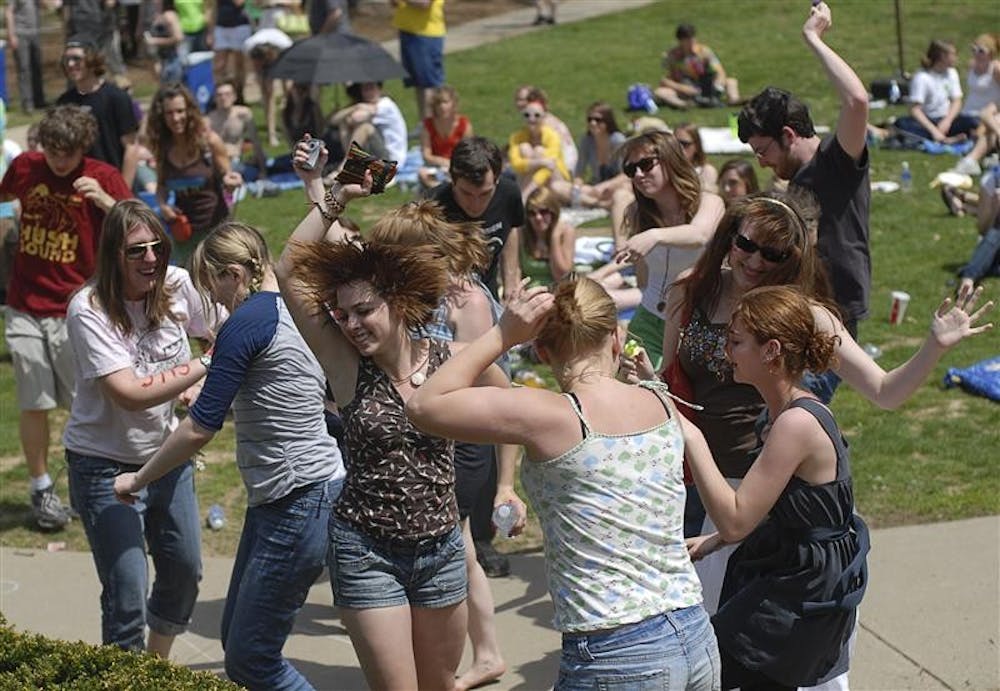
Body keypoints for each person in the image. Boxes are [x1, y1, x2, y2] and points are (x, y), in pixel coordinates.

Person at [661, 192, 994, 691]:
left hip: (768, 496)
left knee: (784, 657)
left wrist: (932, 347)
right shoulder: (692, 292)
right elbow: (671, 380)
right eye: (747, 244)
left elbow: (884, 391)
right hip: (706, 489)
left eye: (773, 254)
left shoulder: (802, 318)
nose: (755, 260)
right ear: (730, 237)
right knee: (714, 639)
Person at [405, 276, 720, 690]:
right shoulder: (657, 400)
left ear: (541, 350)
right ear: (616, 335)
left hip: (615, 651)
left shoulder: (550, 416)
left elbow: (423, 404)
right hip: (694, 636)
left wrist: (502, 334)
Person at [276, 137, 508, 691]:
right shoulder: (346, 366)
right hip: (367, 552)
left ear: (399, 302)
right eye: (343, 314)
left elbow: (514, 405)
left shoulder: (450, 359)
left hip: (441, 552)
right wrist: (335, 197)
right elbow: (287, 269)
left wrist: (510, 483)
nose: (352, 325)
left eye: (365, 311)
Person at [113, 221, 346, 690]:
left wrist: (138, 480)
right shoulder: (287, 310)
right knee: (234, 638)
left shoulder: (245, 321)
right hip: (288, 495)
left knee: (250, 660)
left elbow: (199, 428)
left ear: (235, 274)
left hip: (300, 497)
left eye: (212, 285)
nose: (213, 300)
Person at [682, 284, 871, 690]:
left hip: (805, 592)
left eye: (736, 342)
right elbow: (780, 506)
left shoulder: (796, 423)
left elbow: (736, 520)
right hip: (792, 573)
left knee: (711, 671)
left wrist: (691, 436)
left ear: (770, 351)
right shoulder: (778, 414)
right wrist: (713, 541)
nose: (727, 351)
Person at [369, 201, 516, 691]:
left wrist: (508, 482)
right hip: (432, 441)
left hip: (462, 444)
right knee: (463, 547)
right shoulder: (417, 295)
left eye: (389, 253)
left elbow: (486, 385)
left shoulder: (465, 301)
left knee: (458, 547)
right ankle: (485, 653)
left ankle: (483, 652)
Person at [63, 200, 218, 654]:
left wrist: (200, 385)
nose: (151, 258)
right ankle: (126, 677)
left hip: (165, 455)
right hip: (103, 466)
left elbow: (223, 329)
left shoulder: (176, 284)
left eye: (157, 247)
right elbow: (129, 394)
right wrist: (204, 365)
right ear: (112, 255)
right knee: (127, 591)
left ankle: (154, 666)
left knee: (184, 571)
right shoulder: (88, 309)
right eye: (137, 251)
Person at [0, 105, 132, 531]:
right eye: (52, 151)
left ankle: (88, 482)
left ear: (83, 148)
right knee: (33, 401)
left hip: (77, 309)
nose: (58, 161)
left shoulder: (102, 175)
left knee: (84, 404)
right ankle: (41, 487)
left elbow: (138, 227)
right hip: (24, 303)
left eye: (67, 153)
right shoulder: (24, 166)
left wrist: (106, 201)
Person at [737, 0, 870, 396]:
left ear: (789, 136)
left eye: (764, 151)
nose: (761, 162)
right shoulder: (792, 182)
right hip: (796, 308)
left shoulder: (837, 161)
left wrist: (812, 37)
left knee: (800, 413)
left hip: (833, 312)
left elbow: (858, 102)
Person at [612, 130, 725, 370]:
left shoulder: (709, 202)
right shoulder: (637, 213)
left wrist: (655, 236)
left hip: (691, 325)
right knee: (633, 388)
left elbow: (699, 234)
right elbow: (643, 278)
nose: (639, 175)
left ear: (670, 159)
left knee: (675, 396)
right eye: (631, 170)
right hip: (646, 319)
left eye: (646, 164)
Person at [147, 83, 243, 264]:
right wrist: (163, 205)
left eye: (180, 111)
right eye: (169, 113)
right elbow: (161, 186)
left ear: (189, 111)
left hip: (215, 230)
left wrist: (231, 180)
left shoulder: (209, 142)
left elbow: (226, 174)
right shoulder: (162, 149)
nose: (175, 118)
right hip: (184, 234)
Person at [429, 136, 524, 300]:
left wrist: (510, 284)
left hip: (487, 291)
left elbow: (510, 230)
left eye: (485, 194)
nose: (475, 203)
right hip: (445, 297)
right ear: (452, 180)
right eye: (466, 193)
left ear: (497, 180)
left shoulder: (509, 194)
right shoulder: (432, 206)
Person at [56, 38, 139, 189]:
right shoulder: (64, 102)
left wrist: (123, 191)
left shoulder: (117, 98)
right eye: (66, 59)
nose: (70, 64)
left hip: (112, 183)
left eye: (76, 59)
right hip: (77, 187)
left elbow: (131, 148)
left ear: (92, 60)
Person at [893, 40, 978, 143]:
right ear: (942, 56)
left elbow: (957, 101)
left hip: (947, 119)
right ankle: (943, 139)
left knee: (972, 122)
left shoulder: (952, 73)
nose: (956, 58)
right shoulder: (922, 77)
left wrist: (947, 121)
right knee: (902, 124)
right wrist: (934, 131)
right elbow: (915, 109)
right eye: (953, 55)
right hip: (927, 121)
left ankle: (947, 138)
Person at [549, 100, 628, 209]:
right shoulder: (586, 140)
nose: (593, 123)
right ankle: (600, 204)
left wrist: (606, 185)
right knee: (556, 186)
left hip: (616, 185)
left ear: (607, 121)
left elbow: (626, 175)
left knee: (625, 189)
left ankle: (590, 202)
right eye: (590, 119)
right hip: (594, 187)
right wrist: (576, 188)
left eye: (598, 120)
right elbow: (579, 173)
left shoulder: (617, 140)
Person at [655, 22, 742, 109]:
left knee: (731, 82)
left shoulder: (704, 51)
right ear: (680, 41)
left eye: (692, 37)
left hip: (707, 85)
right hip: (685, 87)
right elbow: (664, 81)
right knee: (660, 92)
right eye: (688, 39)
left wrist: (718, 85)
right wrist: (683, 88)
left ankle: (734, 101)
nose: (692, 41)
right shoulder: (672, 56)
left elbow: (720, 71)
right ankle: (684, 105)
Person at [329, 81, 408, 170]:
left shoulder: (386, 104)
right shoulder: (364, 105)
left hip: (392, 159)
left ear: (379, 89)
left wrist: (355, 109)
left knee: (365, 128)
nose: (369, 92)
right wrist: (355, 107)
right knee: (344, 123)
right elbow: (334, 121)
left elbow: (355, 118)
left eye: (372, 88)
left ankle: (346, 165)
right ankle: (349, 161)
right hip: (376, 151)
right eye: (365, 89)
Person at [952, 34, 1000, 177]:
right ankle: (976, 159)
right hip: (968, 113)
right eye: (974, 49)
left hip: (988, 112)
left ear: (991, 52)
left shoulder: (996, 68)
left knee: (986, 121)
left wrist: (993, 108)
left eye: (981, 51)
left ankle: (970, 161)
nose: (976, 54)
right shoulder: (971, 65)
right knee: (987, 126)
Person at [391, 0, 446, 118]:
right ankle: (424, 123)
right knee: (418, 83)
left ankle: (431, 125)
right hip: (408, 31)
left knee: (428, 83)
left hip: (426, 35)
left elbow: (424, 4)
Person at [508, 98, 570, 200]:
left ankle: (524, 197)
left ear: (544, 117)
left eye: (537, 115)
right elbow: (515, 164)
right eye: (527, 115)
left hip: (555, 180)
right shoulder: (516, 137)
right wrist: (540, 162)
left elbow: (549, 167)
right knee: (525, 148)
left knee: (539, 151)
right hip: (533, 179)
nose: (531, 119)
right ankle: (526, 198)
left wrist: (526, 192)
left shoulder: (552, 136)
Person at [208, 81, 268, 180]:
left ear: (234, 97)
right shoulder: (209, 119)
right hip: (216, 162)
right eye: (219, 95)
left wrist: (263, 171)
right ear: (215, 98)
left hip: (235, 160)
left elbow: (256, 142)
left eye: (227, 94)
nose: (223, 98)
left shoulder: (243, 115)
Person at [513, 85, 578, 177]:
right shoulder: (539, 116)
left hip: (562, 165)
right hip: (561, 161)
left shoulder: (541, 121)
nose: (519, 103)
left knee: (527, 151)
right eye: (517, 99)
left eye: (524, 99)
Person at [244, 27, 294, 147]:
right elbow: (254, 68)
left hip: (282, 55)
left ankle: (290, 125)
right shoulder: (248, 46)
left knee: (289, 91)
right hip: (263, 54)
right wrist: (262, 78)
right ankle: (271, 134)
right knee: (268, 95)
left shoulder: (285, 44)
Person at [418, 85, 474, 190]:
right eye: (438, 103)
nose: (442, 107)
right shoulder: (428, 125)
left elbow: (468, 153)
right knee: (423, 174)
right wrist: (444, 162)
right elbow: (426, 154)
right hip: (435, 165)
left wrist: (452, 165)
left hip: (457, 165)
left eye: (445, 102)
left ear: (453, 104)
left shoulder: (464, 125)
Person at [958, 165, 1000, 295]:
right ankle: (968, 279)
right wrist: (995, 210)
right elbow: (983, 230)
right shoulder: (991, 181)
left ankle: (971, 273)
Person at [520, 187, 574, 287]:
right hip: (529, 294)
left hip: (557, 292)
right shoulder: (522, 234)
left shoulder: (566, 232)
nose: (538, 217)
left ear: (554, 212)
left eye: (543, 211)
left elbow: (562, 276)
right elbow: (517, 274)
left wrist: (554, 238)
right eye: (532, 213)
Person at [5, 0, 46, 114]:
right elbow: (9, 12)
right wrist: (11, 35)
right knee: (24, 69)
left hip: (35, 33)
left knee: (37, 68)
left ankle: (39, 101)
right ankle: (27, 104)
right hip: (20, 34)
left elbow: (46, 6)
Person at [211, 0, 253, 103]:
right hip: (221, 25)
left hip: (239, 25)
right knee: (219, 65)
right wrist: (210, 30)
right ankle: (219, 95)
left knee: (239, 65)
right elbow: (213, 7)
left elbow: (238, 2)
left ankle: (239, 94)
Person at [145, 0, 184, 83]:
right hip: (159, 61)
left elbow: (179, 38)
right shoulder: (153, 16)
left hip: (172, 61)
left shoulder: (169, 15)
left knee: (175, 89)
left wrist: (155, 41)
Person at [676, 123, 718, 193]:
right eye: (675, 143)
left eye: (685, 144)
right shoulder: (665, 168)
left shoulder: (706, 171)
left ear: (696, 146)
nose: (680, 148)